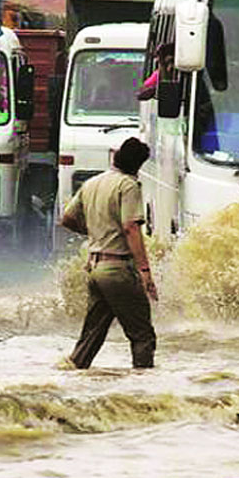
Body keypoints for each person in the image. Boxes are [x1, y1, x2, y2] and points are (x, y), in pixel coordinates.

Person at [61, 137, 158, 369]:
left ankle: (69, 376)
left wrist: (94, 233)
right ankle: (144, 392)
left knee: (91, 337)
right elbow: (131, 227)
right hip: (118, 270)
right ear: (137, 165)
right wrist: (145, 272)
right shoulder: (128, 186)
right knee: (142, 335)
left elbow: (66, 218)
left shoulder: (93, 183)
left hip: (95, 269)